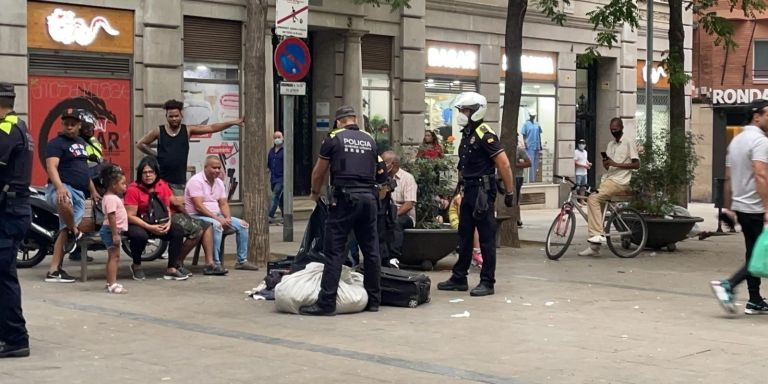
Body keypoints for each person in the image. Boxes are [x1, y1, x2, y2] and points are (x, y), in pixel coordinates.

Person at [299, 105, 384, 316]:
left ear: (338, 121)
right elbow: (382, 174)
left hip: (345, 199)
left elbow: (319, 170)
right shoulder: (369, 139)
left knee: (334, 251)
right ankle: (374, 300)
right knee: (371, 251)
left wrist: (314, 192)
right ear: (354, 120)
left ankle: (326, 303)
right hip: (368, 199)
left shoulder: (333, 138)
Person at [437, 92, 516, 297]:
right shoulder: (467, 132)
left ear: (475, 111)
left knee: (486, 238)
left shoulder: (484, 132)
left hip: (482, 191)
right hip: (469, 190)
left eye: (464, 110)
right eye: (461, 110)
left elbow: (504, 163)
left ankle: (487, 281)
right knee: (464, 235)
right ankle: (459, 277)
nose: (461, 114)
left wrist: (509, 191)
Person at [711, 99, 768, 314]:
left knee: (753, 252)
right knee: (758, 256)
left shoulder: (736, 140)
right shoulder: (760, 142)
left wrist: (728, 207)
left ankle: (754, 300)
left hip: (742, 206)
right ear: (757, 116)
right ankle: (727, 284)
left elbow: (727, 176)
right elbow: (761, 174)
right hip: (756, 207)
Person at [136, 99, 244, 196]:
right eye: (171, 116)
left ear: (181, 116)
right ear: (166, 117)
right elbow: (141, 144)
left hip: (179, 182)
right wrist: (156, 155)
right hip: (160, 181)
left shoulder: (187, 130)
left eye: (176, 116)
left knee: (179, 212)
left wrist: (232, 122)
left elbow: (211, 127)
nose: (174, 119)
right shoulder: (159, 131)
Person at [43, 108, 101, 283]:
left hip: (80, 192)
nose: (69, 127)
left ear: (78, 125)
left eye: (73, 124)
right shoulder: (55, 143)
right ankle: (76, 232)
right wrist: (60, 187)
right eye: (66, 123)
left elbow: (83, 170)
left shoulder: (82, 144)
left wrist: (93, 190)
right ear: (62, 125)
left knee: (64, 229)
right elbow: (51, 167)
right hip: (62, 188)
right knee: (65, 202)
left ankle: (54, 271)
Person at [0, 82, 33, 358]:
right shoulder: (19, 126)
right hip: (14, 209)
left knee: (4, 277)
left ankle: (16, 338)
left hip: (8, 212)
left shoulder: (7, 129)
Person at [578, 118, 640, 257]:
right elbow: (608, 165)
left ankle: (597, 235)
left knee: (593, 199)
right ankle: (594, 247)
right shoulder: (610, 144)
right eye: (611, 130)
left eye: (616, 129)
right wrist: (607, 163)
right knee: (595, 209)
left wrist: (616, 164)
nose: (614, 132)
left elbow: (637, 165)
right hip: (607, 180)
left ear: (622, 128)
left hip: (619, 181)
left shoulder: (629, 142)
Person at [185, 156, 259, 271]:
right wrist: (218, 219)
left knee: (243, 225)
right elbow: (199, 206)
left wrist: (228, 217)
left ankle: (241, 260)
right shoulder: (196, 181)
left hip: (216, 216)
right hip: (197, 216)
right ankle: (215, 262)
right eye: (214, 168)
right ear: (205, 168)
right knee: (217, 226)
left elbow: (223, 203)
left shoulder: (219, 182)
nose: (217, 170)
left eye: (219, 168)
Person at [123, 157, 188, 281]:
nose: (148, 175)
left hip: (159, 221)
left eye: (150, 172)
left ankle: (172, 268)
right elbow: (130, 216)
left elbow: (167, 207)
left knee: (177, 230)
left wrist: (168, 223)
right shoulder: (133, 189)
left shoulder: (162, 185)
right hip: (139, 223)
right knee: (139, 236)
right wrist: (149, 227)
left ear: (156, 173)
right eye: (144, 172)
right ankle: (136, 265)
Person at [69, 110, 102, 263]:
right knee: (81, 215)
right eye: (87, 127)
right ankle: (76, 249)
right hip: (81, 183)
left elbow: (98, 160)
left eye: (91, 127)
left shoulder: (93, 141)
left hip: (94, 181)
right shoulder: (75, 142)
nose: (90, 130)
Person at [380, 151, 417, 258]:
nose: (382, 165)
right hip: (385, 213)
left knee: (395, 222)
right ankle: (381, 257)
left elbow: (409, 204)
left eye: (384, 162)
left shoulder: (407, 178)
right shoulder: (381, 177)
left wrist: (394, 215)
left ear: (394, 164)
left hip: (403, 215)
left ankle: (393, 257)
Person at [99, 166, 128, 294]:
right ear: (113, 185)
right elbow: (111, 216)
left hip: (112, 230)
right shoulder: (111, 199)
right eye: (122, 184)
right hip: (110, 230)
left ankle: (109, 281)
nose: (125, 186)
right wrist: (115, 234)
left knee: (113, 256)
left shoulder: (112, 197)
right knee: (114, 257)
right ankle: (112, 284)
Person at [268, 130, 284, 224]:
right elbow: (269, 164)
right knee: (280, 199)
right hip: (273, 178)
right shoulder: (271, 151)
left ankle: (270, 215)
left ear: (283, 138)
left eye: (279, 137)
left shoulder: (285, 151)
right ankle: (284, 216)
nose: (277, 139)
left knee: (275, 196)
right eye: (275, 137)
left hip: (281, 179)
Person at [521, 110, 542, 182]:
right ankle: (530, 180)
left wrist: (540, 145)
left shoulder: (537, 124)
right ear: (530, 115)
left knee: (536, 163)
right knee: (530, 163)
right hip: (529, 146)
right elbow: (524, 135)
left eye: (534, 116)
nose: (533, 117)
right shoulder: (526, 124)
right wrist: (525, 143)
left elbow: (539, 134)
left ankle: (534, 180)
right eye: (532, 116)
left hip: (537, 145)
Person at [513, 146, 531, 227]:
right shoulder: (503, 148)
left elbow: (529, 163)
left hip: (517, 177)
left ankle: (517, 218)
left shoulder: (519, 150)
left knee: (516, 198)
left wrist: (516, 165)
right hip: (505, 176)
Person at [574, 138, 591, 203]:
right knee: (577, 187)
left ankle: (582, 200)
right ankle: (576, 201)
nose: (582, 145)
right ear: (578, 144)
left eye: (583, 144)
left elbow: (585, 160)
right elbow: (575, 162)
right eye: (580, 144)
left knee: (583, 187)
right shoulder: (576, 152)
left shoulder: (585, 152)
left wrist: (588, 163)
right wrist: (584, 166)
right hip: (578, 173)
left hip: (584, 173)